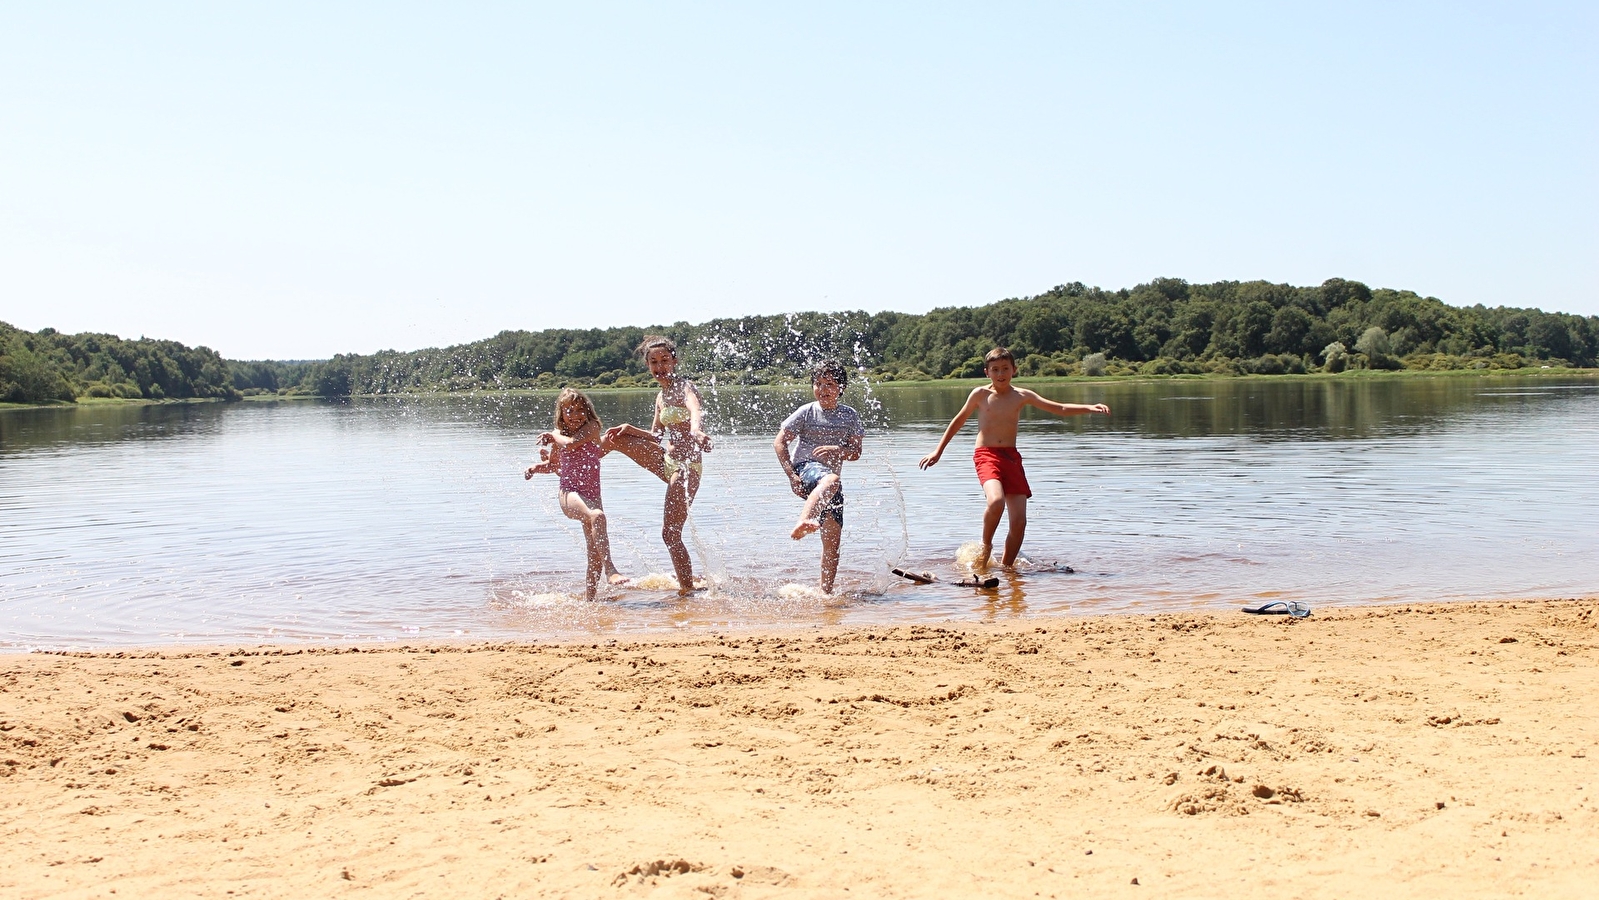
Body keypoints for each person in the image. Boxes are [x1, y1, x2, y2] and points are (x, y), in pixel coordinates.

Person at [917, 347, 1109, 568]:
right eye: (995, 369)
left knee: (1019, 522)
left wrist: (1089, 407)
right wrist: (938, 451)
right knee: (996, 501)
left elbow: (1061, 408)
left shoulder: (1021, 396)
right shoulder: (980, 395)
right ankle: (986, 546)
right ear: (987, 372)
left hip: (1011, 459)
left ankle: (1008, 570)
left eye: (1005, 369)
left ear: (1014, 370)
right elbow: (958, 421)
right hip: (986, 455)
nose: (1001, 374)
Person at [601, 336, 711, 594]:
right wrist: (628, 428)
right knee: (615, 437)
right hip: (667, 461)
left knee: (670, 534)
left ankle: (687, 592)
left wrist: (697, 431)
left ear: (675, 360)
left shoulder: (686, 388)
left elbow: (695, 412)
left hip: (686, 468)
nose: (660, 366)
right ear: (648, 365)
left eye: (664, 360)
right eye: (654, 362)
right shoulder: (660, 397)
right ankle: (573, 462)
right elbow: (656, 436)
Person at [524, 388, 626, 600]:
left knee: (594, 553)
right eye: (569, 410)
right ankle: (611, 571)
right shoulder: (558, 437)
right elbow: (554, 466)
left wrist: (553, 436)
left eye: (580, 409)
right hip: (569, 494)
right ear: (561, 413)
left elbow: (571, 444)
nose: (575, 415)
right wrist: (536, 467)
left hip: (591, 495)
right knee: (597, 515)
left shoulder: (592, 427)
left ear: (587, 411)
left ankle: (590, 601)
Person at [774, 360, 864, 593]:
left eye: (830, 384)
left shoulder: (850, 416)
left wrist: (839, 451)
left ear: (841, 388)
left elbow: (856, 453)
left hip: (829, 486)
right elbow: (780, 442)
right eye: (818, 383)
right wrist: (792, 475)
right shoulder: (807, 412)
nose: (823, 389)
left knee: (832, 544)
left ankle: (825, 594)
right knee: (832, 480)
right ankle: (804, 519)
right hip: (806, 469)